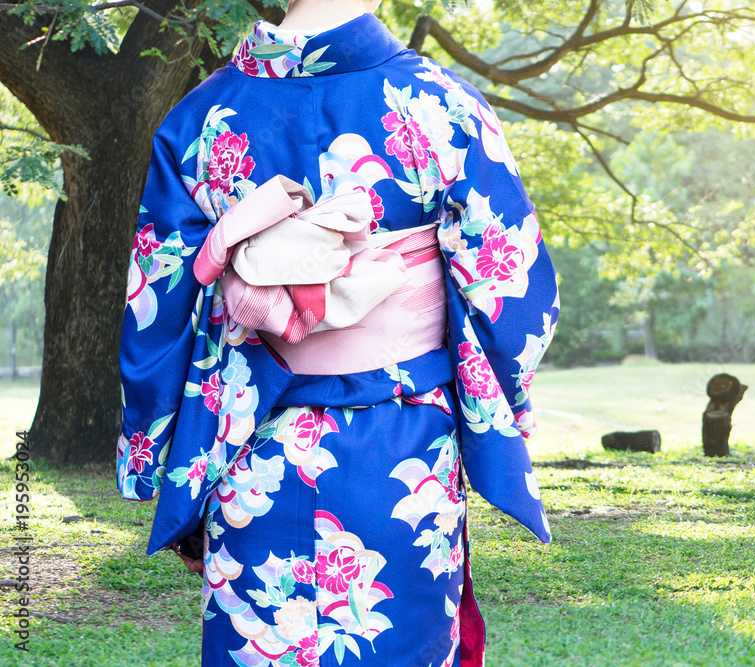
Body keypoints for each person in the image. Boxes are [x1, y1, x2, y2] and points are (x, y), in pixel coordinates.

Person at [115, 1, 560, 664]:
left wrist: (157, 455)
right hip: (404, 451)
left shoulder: (199, 119)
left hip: (247, 450)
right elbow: (515, 303)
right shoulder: (441, 107)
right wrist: (500, 417)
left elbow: (154, 315)